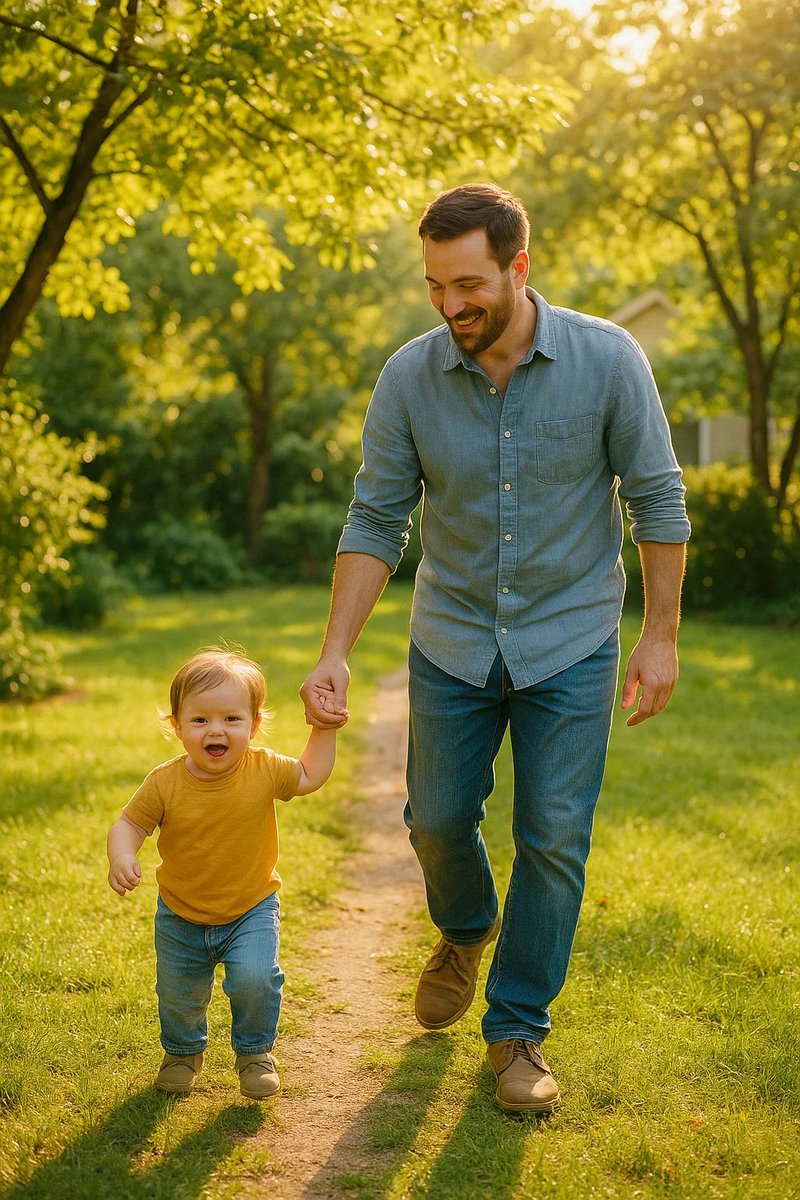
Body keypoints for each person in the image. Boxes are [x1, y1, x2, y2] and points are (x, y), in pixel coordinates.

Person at [301, 182, 690, 1114]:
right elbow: (376, 516)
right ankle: (466, 926)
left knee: (552, 838)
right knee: (434, 820)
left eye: (468, 283)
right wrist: (335, 651)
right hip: (454, 635)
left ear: (520, 266)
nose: (450, 305)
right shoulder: (408, 376)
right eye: (435, 286)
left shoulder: (608, 360)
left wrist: (661, 636)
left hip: (574, 639)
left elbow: (658, 498)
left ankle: (518, 1032)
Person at [107, 646, 339, 1099]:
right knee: (178, 994)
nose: (216, 729)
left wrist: (324, 727)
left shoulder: (265, 768)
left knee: (255, 979)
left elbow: (310, 774)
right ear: (176, 727)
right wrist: (121, 855)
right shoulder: (165, 782)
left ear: (253, 725)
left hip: (250, 907)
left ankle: (254, 1053)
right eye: (200, 720)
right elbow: (130, 823)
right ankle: (181, 1053)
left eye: (232, 719)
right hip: (180, 914)